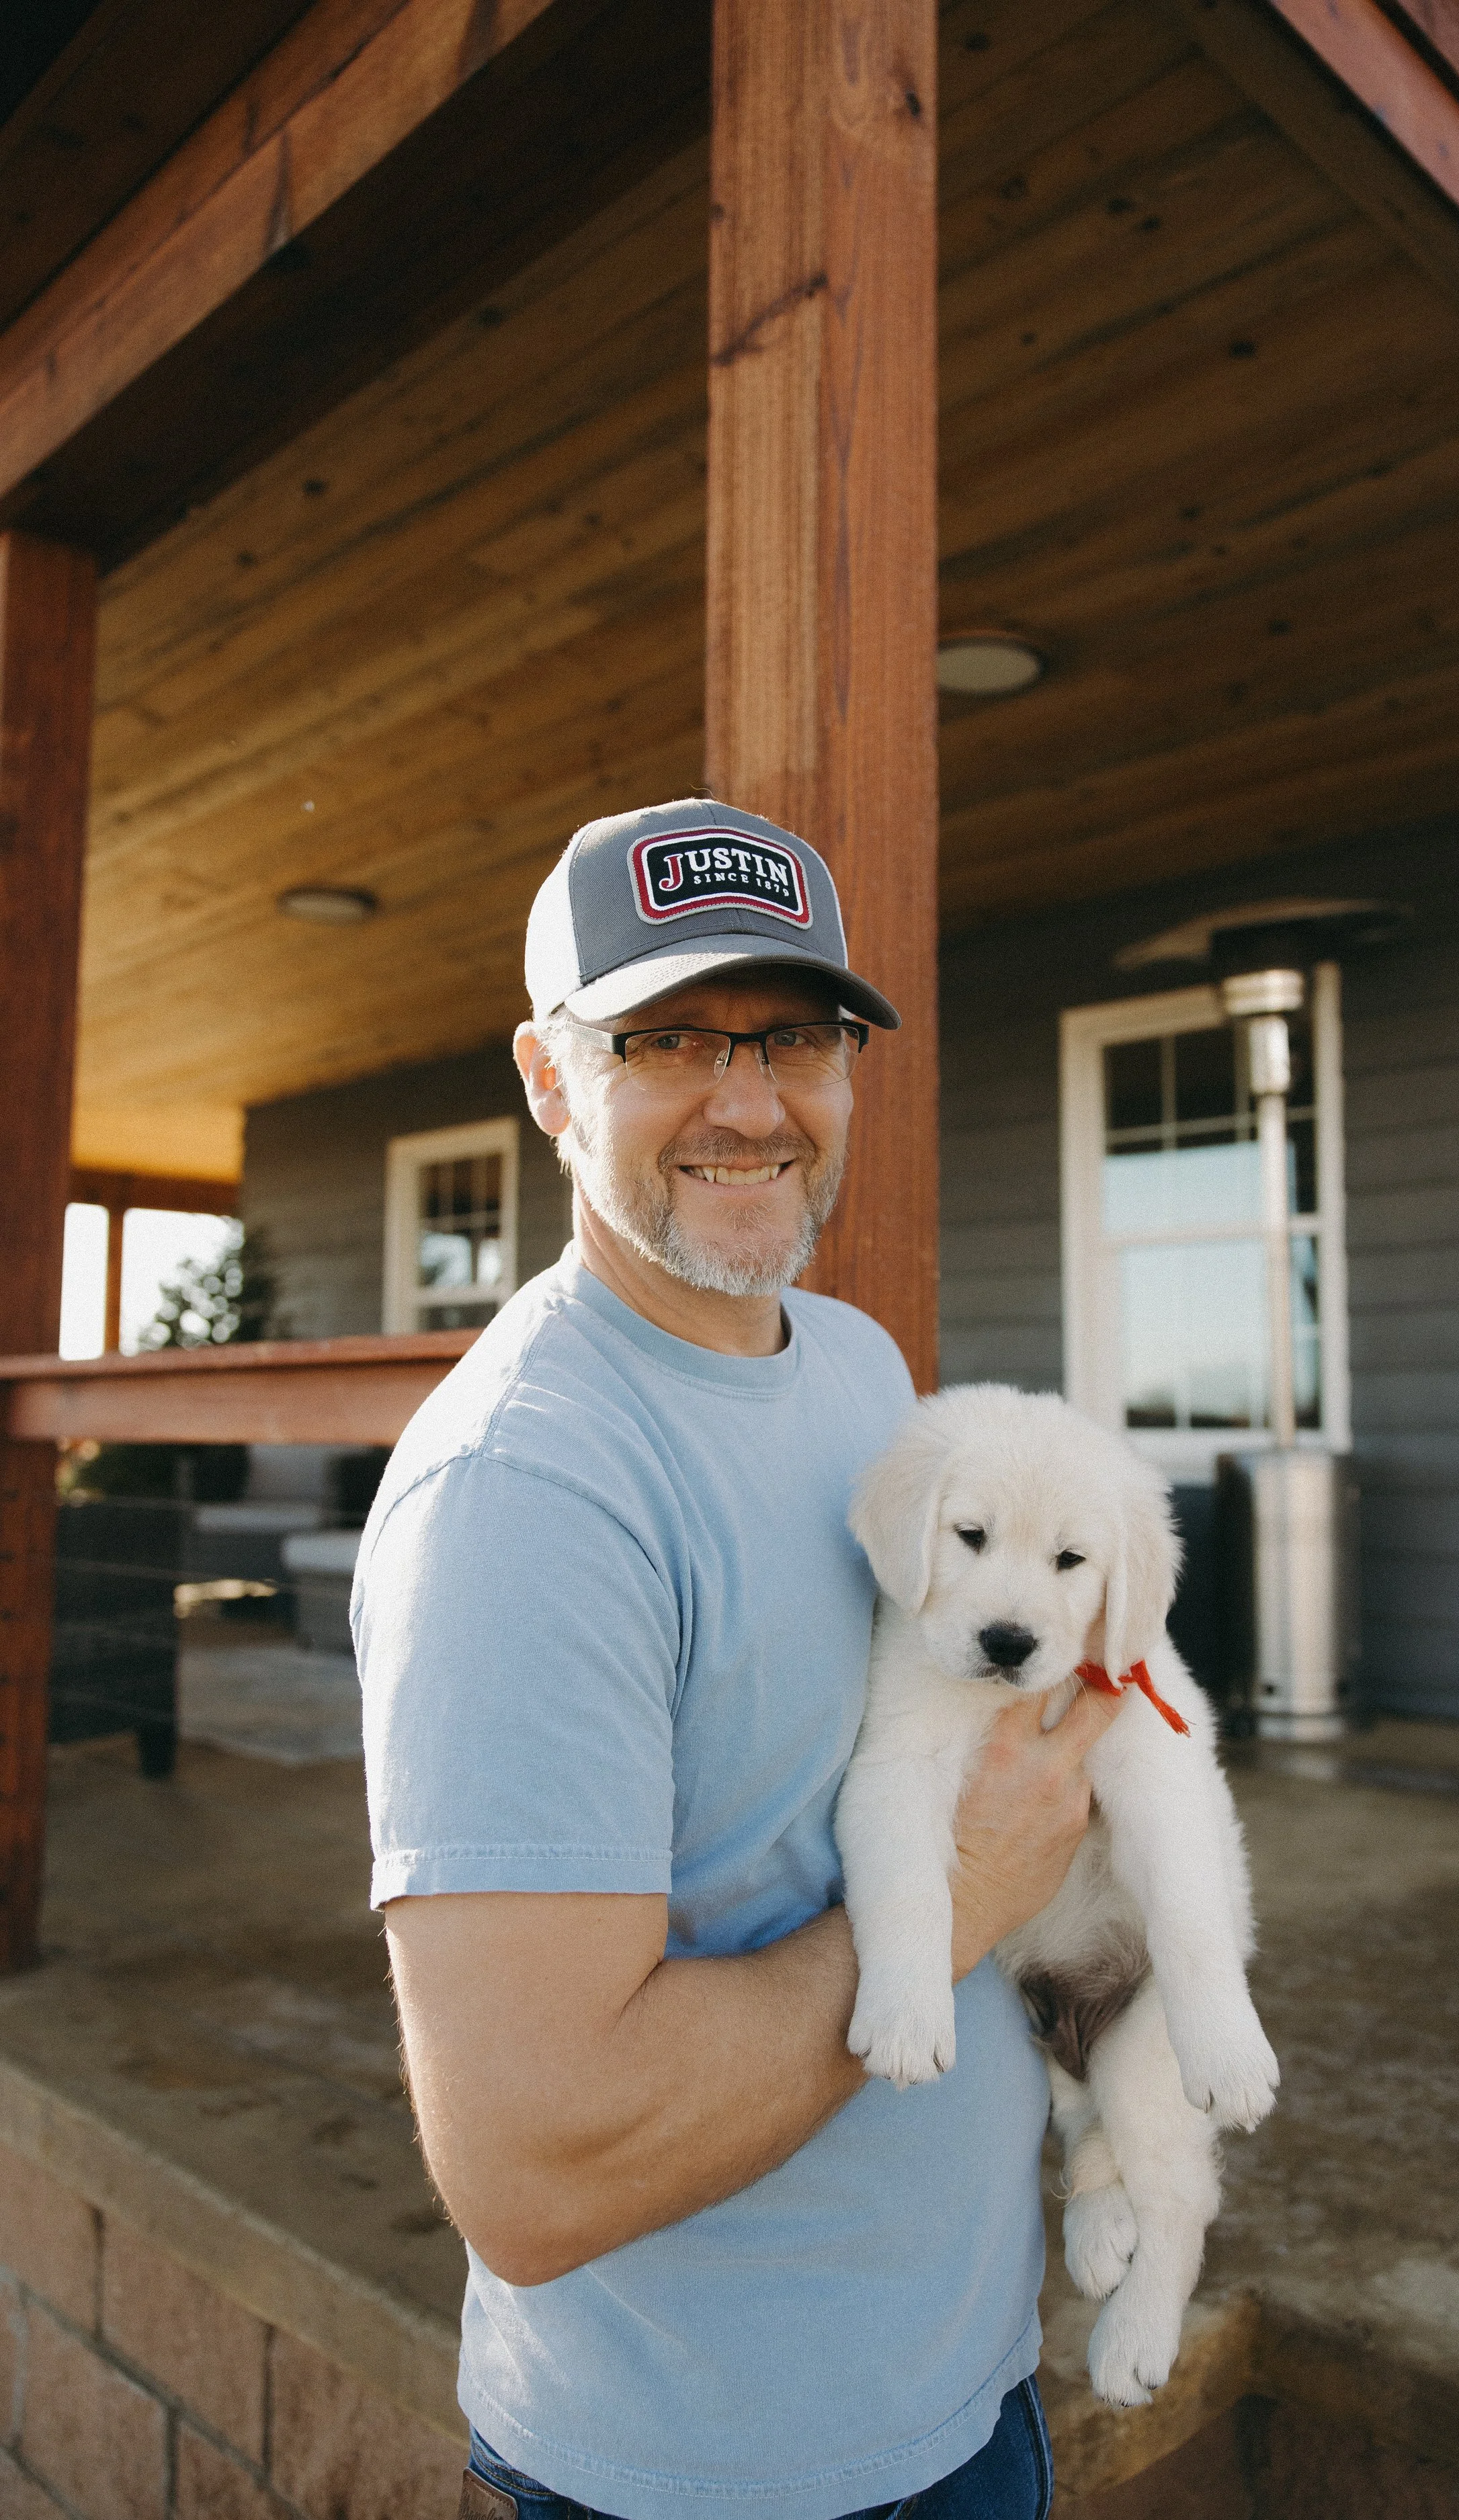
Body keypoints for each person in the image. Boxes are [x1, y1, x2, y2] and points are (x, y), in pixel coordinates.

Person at [355, 799, 1122, 2520]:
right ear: (551, 1083)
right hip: (716, 2474)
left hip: (964, 2381)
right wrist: (973, 1891)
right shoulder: (525, 1492)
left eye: (793, 1037)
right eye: (667, 1040)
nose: (749, 1100)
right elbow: (537, 2166)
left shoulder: (854, 1367)